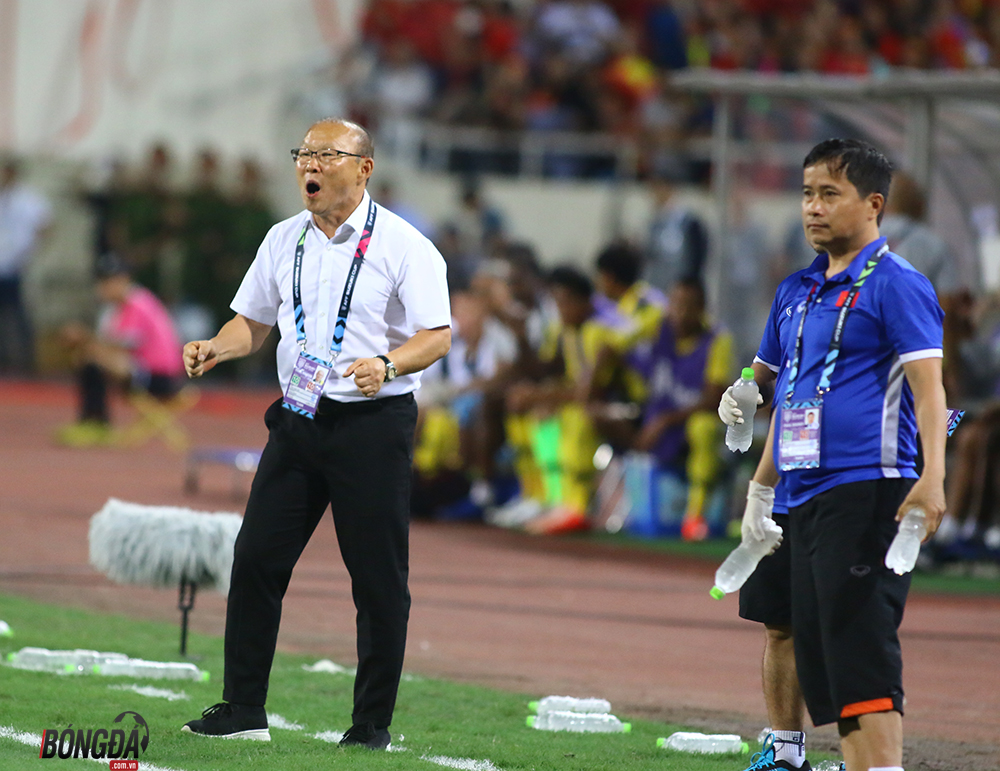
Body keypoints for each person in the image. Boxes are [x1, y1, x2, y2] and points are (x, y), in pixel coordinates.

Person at [180, 118, 451, 749]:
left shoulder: (405, 246)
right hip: (298, 421)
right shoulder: (284, 240)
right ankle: (243, 709)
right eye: (304, 152)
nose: (312, 163)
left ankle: (370, 726)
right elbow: (252, 323)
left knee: (377, 579)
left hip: (372, 425)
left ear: (364, 169)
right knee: (254, 560)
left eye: (328, 154)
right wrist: (216, 349)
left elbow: (436, 335)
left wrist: (386, 365)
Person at [727, 139, 946, 771]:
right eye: (806, 193)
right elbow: (777, 379)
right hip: (799, 487)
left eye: (829, 194)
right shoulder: (797, 289)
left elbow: (932, 395)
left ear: (873, 205)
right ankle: (792, 753)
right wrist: (757, 480)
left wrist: (932, 479)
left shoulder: (899, 286)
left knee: (856, 647)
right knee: (815, 644)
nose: (812, 208)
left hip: (866, 486)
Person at [55, 253, 186, 446]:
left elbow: (123, 345)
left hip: (162, 378)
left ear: (124, 280)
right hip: (144, 372)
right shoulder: (115, 309)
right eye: (101, 282)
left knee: (92, 357)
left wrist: (83, 338)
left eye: (109, 282)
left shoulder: (138, 304)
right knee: (90, 356)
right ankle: (92, 421)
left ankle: (96, 423)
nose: (102, 288)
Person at [0, 157, 52, 374]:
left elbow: (46, 226)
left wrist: (28, 252)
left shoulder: (28, 200)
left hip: (14, 266)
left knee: (18, 314)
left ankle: (27, 360)